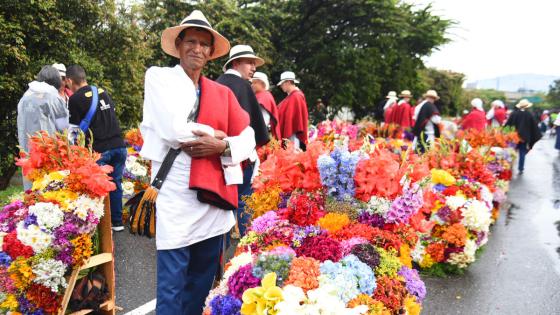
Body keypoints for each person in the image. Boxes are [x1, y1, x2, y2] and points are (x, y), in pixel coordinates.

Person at [140, 10, 256, 314]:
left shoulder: (221, 92)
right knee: (171, 285)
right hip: (175, 197)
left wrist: (223, 144)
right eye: (191, 41)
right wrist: (217, 132)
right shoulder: (158, 77)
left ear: (210, 53)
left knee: (202, 283)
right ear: (179, 45)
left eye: (205, 44)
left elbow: (249, 137)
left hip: (212, 198)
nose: (198, 49)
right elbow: (174, 131)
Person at [216, 45, 269, 238]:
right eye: (249, 62)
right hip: (241, 155)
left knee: (222, 200)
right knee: (244, 198)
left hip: (217, 153)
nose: (253, 67)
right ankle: (247, 242)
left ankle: (225, 239)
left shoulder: (216, 83)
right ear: (236, 63)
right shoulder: (242, 86)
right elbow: (254, 127)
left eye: (254, 63)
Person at [66, 65, 127, 231]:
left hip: (100, 149)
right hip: (119, 146)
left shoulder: (75, 99)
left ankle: (100, 227)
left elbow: (73, 130)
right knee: (116, 183)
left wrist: (71, 151)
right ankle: (117, 223)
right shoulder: (102, 91)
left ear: (70, 81)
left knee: (97, 188)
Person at [17, 65, 69, 190]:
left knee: (32, 189)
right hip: (50, 152)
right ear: (56, 82)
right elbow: (63, 127)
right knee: (50, 190)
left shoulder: (25, 97)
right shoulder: (53, 97)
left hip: (28, 152)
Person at [505, 99, 542, 174]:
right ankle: (521, 168)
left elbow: (508, 125)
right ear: (527, 106)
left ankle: (509, 167)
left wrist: (504, 134)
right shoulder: (530, 115)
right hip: (524, 138)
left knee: (512, 152)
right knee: (522, 152)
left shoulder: (514, 114)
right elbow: (534, 127)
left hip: (513, 137)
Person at [277, 71, 309, 150]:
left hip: (293, 134)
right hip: (291, 134)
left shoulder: (296, 96)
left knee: (292, 154)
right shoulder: (292, 96)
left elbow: (294, 120)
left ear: (288, 82)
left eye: (282, 83)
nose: (281, 86)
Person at [251, 71, 281, 139]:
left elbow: (263, 120)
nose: (252, 85)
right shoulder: (261, 95)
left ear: (263, 84)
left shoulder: (264, 96)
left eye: (255, 83)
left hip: (260, 134)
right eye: (252, 83)